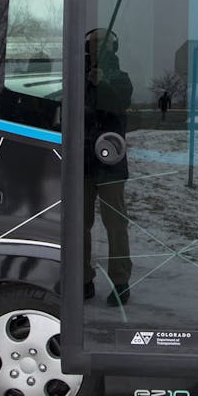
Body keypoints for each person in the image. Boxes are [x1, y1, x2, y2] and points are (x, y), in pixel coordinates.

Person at [83, 28, 133, 305]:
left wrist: (102, 83)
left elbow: (119, 104)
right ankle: (82, 278)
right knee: (80, 224)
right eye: (92, 44)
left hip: (111, 162)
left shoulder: (121, 79)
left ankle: (121, 281)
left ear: (113, 48)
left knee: (115, 224)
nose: (96, 48)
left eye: (102, 43)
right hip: (83, 162)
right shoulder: (78, 77)